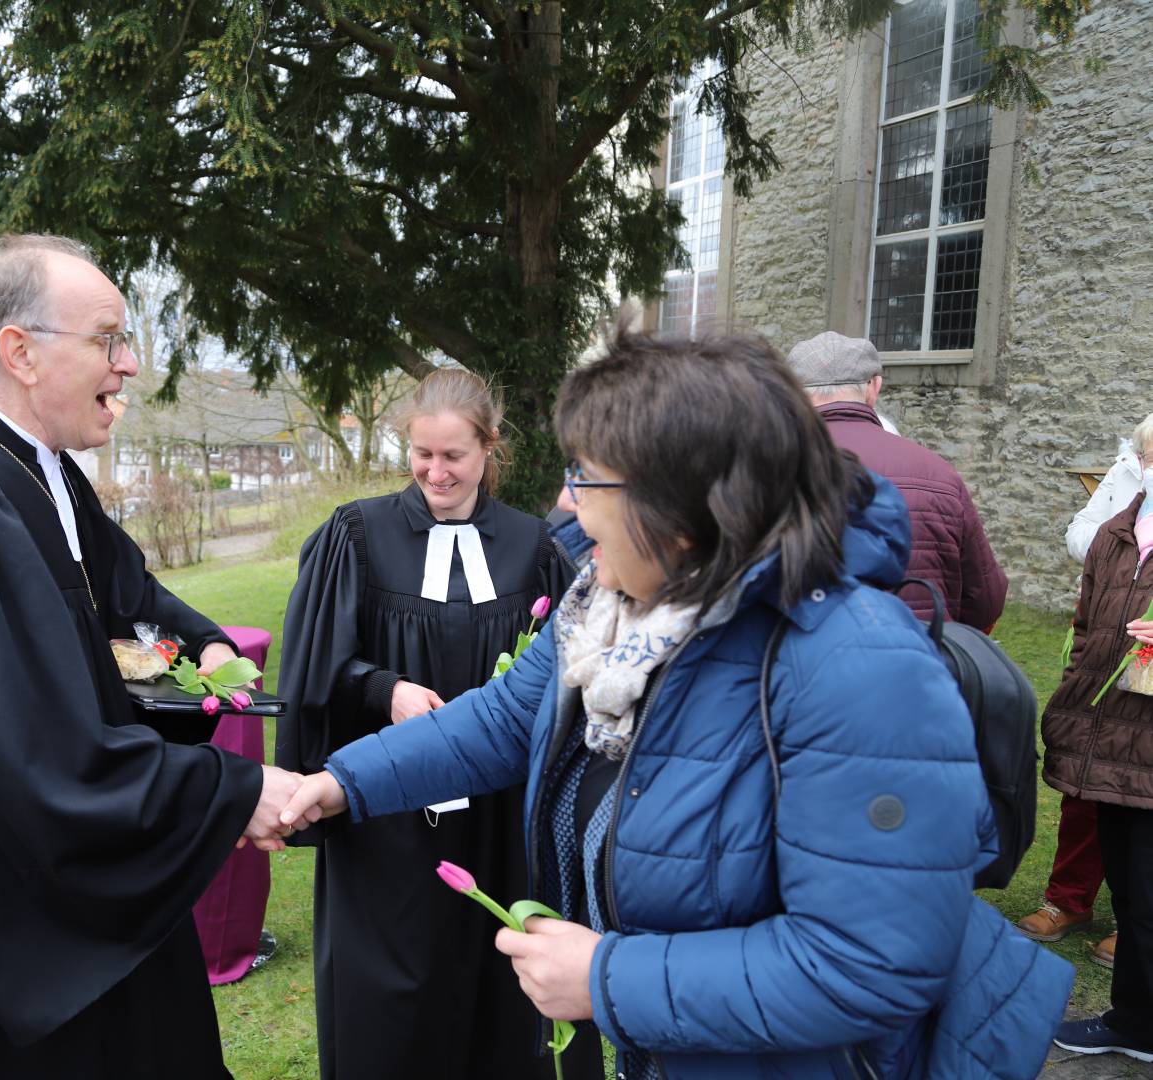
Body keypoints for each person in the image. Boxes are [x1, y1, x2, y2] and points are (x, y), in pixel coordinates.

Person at [281, 326, 1071, 1077]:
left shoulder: (860, 669)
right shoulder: (620, 611)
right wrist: (342, 783)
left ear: (681, 502)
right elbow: (499, 719)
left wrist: (608, 979)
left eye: (588, 477)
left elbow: (871, 963)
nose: (570, 503)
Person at [0, 234, 303, 1078]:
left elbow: (129, 601)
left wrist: (207, 649)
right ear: (21, 352)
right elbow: (30, 749)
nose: (131, 365)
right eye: (109, 339)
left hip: (60, 894)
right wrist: (235, 790)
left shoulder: (38, 470)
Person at [275, 368, 587, 1080]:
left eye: (454, 456)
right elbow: (315, 667)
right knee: (390, 989)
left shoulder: (535, 549)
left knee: (497, 973)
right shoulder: (357, 534)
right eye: (422, 454)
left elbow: (570, 678)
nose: (435, 472)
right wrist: (384, 691)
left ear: (489, 449)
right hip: (387, 815)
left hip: (498, 815)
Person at [1016, 422, 1153, 967]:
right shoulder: (1121, 519)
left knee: (1143, 814)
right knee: (1086, 794)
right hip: (1099, 694)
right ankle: (1071, 901)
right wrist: (1076, 681)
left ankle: (1137, 923)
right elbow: (1087, 608)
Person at [1047, 418, 1153, 1063]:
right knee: (1130, 881)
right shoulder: (1116, 534)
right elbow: (1087, 628)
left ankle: (1140, 1026)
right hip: (1108, 736)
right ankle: (1135, 1020)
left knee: (1146, 888)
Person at [787, 331, 1006, 629]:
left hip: (800, 663)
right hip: (919, 661)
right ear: (874, 387)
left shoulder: (768, 470)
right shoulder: (939, 473)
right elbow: (985, 601)